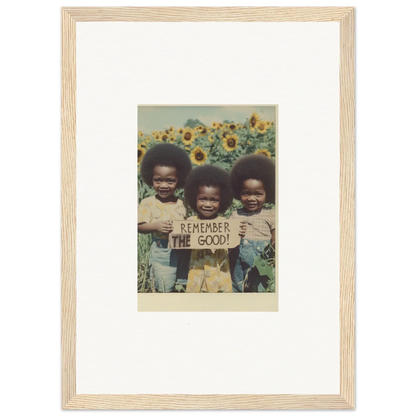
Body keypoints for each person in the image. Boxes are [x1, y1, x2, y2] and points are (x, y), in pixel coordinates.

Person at [137, 143, 192, 292]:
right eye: (158, 180)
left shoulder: (182, 202)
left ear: (178, 181)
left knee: (182, 283)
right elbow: (139, 226)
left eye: (170, 181)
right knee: (163, 286)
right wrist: (156, 226)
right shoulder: (148, 203)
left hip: (183, 249)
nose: (163, 185)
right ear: (150, 179)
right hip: (162, 252)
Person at [183, 165, 235, 293]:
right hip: (197, 273)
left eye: (214, 200)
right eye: (203, 199)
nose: (207, 204)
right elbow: (181, 244)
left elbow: (233, 243)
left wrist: (239, 232)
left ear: (222, 200)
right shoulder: (190, 222)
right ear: (194, 198)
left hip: (219, 274)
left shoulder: (225, 223)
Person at [229, 154, 276, 292]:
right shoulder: (235, 214)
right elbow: (227, 238)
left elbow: (275, 238)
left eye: (258, 194)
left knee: (259, 289)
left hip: (261, 262)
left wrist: (272, 259)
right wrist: (234, 234)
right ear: (239, 193)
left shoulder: (271, 214)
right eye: (246, 193)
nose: (251, 198)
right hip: (237, 262)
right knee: (236, 288)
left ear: (268, 193)